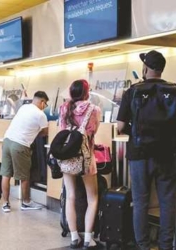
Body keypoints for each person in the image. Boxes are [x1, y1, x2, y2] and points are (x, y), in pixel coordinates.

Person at [117, 50, 176, 250]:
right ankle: (166, 245)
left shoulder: (132, 91)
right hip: (168, 154)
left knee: (140, 202)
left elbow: (120, 127)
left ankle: (143, 246)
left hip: (139, 154)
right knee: (167, 201)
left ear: (145, 68)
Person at [59, 80, 101, 249]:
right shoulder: (94, 109)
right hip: (86, 158)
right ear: (86, 92)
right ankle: (88, 238)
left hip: (67, 157)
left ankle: (74, 236)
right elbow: (93, 131)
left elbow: (62, 131)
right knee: (93, 197)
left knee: (70, 196)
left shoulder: (64, 108)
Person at [0, 91, 49, 213]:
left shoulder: (23, 107)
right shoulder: (41, 114)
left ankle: (5, 203)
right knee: (24, 176)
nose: (45, 106)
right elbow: (45, 132)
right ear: (42, 102)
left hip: (7, 141)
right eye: (46, 104)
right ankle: (26, 202)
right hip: (20, 145)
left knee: (6, 174)